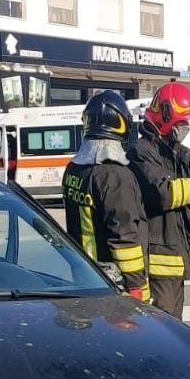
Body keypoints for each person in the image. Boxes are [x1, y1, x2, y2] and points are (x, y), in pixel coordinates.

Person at [130, 82, 190, 317]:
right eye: (182, 122)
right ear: (165, 117)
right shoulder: (142, 152)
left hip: (174, 259)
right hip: (159, 262)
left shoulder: (176, 152)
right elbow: (165, 194)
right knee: (162, 326)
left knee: (176, 327)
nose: (185, 127)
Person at [62, 90, 151, 301]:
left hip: (82, 276)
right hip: (114, 284)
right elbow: (124, 237)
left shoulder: (73, 169)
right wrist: (136, 286)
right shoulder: (115, 176)